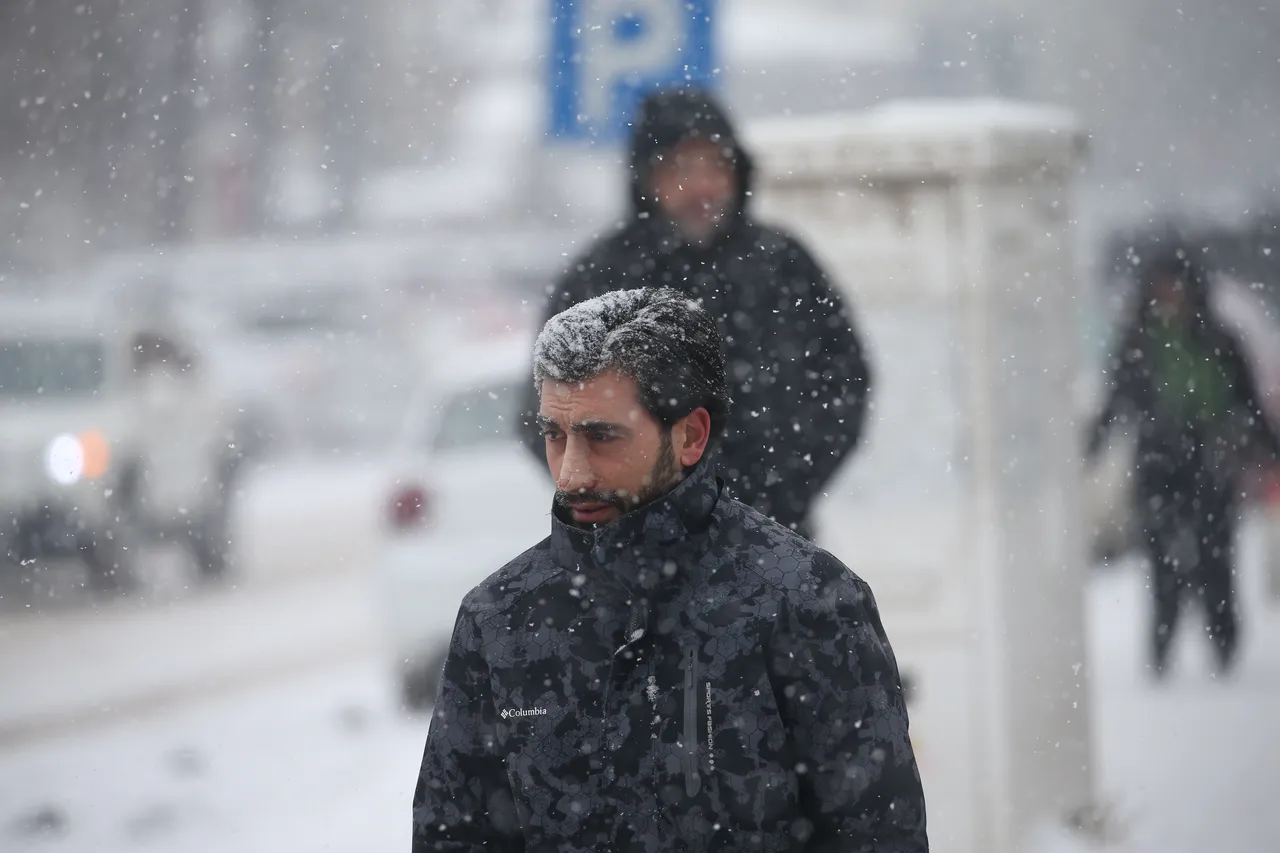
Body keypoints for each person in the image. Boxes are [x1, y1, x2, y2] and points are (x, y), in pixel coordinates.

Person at [414, 288, 927, 852]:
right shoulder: (499, 619)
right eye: (555, 435)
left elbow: (879, 836)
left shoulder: (809, 602)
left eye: (602, 436)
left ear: (690, 436)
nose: (570, 474)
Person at [518, 87, 873, 540]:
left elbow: (844, 382)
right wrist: (627, 506)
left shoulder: (783, 264)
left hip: (772, 537)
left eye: (717, 165)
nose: (704, 186)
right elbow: (545, 411)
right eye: (681, 168)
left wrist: (780, 491)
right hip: (633, 552)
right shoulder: (603, 275)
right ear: (647, 178)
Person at [1087, 247, 1280, 678]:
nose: (1170, 295)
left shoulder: (1218, 339)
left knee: (1216, 564)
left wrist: (1267, 448)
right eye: (1162, 286)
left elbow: (1246, 401)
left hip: (1211, 467)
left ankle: (1224, 646)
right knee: (1163, 568)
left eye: (1176, 285)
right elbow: (1117, 401)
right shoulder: (1139, 341)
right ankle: (1162, 651)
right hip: (1159, 470)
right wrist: (1090, 449)